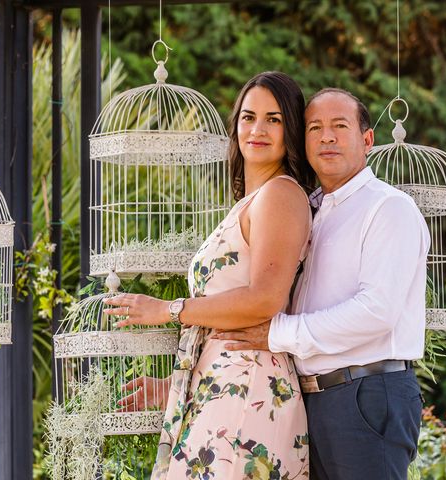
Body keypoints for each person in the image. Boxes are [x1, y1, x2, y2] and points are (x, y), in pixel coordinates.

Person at [104, 71, 315, 479]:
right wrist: (179, 386)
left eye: (274, 119)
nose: (257, 129)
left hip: (250, 388)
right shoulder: (252, 200)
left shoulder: (281, 195)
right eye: (249, 117)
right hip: (222, 386)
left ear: (291, 128)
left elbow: (265, 298)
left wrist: (169, 309)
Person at [215, 88, 431, 480]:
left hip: (366, 393)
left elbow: (376, 311)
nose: (326, 137)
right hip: (308, 398)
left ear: (368, 140)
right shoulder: (306, 208)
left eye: (339, 126)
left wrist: (280, 332)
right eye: (315, 127)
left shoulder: (388, 208)